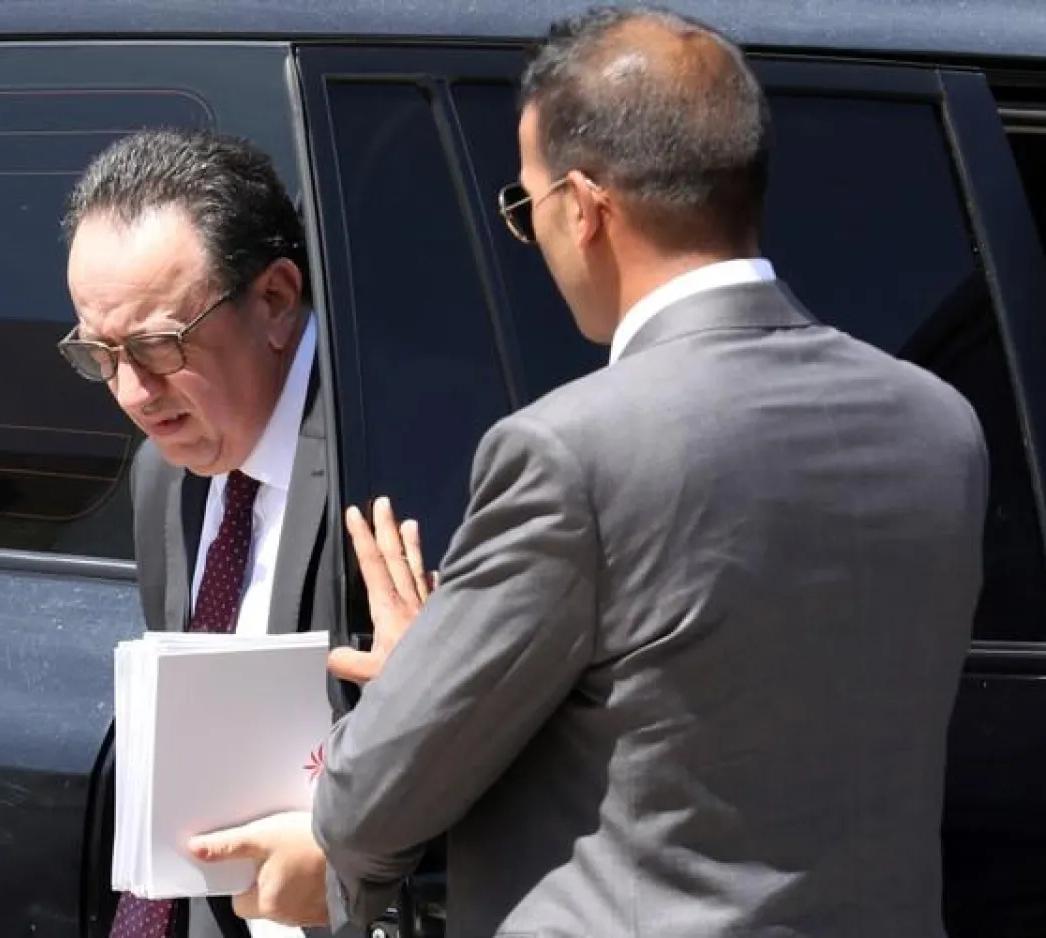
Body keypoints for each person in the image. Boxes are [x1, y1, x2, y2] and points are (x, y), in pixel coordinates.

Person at [188, 6, 991, 938]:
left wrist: (390, 735)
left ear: (584, 206)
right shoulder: (942, 424)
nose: (536, 238)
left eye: (524, 208)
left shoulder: (568, 451)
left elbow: (389, 786)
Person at [57, 128, 358, 938]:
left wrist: (348, 859)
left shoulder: (392, 462)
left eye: (157, 345)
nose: (130, 390)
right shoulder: (163, 478)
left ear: (274, 299)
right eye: (99, 353)